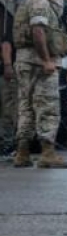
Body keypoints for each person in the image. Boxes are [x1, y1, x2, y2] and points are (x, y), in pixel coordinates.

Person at [11, 0, 67, 169]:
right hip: (38, 63)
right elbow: (38, 31)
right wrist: (47, 60)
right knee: (48, 107)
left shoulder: (27, 2)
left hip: (24, 61)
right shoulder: (40, 3)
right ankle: (47, 153)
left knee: (26, 108)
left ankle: (22, 152)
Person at [0, 25, 17, 159]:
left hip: (13, 74)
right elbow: (6, 45)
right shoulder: (14, 29)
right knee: (9, 109)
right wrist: (8, 65)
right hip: (10, 75)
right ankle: (7, 144)